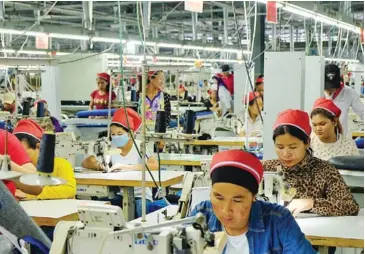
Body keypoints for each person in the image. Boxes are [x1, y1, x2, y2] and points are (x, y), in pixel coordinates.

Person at [190, 150, 315, 253]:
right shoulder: (201, 216)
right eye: (219, 197)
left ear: (254, 197)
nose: (226, 209)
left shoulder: (278, 221)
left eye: (237, 200)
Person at [262, 109, 359, 216]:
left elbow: (350, 206)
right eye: (279, 147)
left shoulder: (324, 170)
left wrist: (311, 203)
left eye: (293, 147)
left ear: (307, 143)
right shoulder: (266, 168)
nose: (285, 153)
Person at [82, 108, 158, 217]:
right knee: (100, 208)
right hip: (121, 195)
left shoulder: (139, 146)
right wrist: (99, 166)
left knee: (142, 212)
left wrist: (125, 167)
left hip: (141, 195)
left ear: (130, 133)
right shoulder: (114, 149)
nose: (116, 137)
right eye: (113, 134)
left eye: (119, 133)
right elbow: (86, 162)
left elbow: (154, 165)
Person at [13, 119, 76, 200]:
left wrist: (29, 195)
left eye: (22, 152)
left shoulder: (60, 164)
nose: (17, 157)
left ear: (39, 148)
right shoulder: (16, 169)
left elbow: (69, 189)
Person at [324, 64, 363, 135]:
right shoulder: (316, 92)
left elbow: (362, 112)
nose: (330, 90)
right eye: (327, 87)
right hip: (319, 141)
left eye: (333, 87)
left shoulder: (349, 92)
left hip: (341, 139)